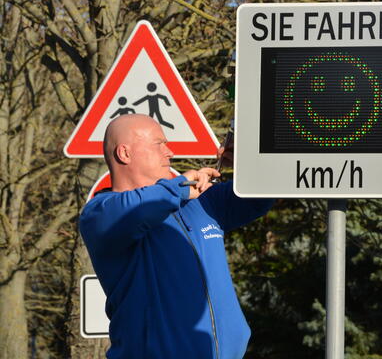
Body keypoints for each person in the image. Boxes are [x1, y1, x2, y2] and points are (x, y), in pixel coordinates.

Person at [79, 114, 273, 359]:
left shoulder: (199, 202)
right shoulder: (100, 213)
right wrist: (179, 187)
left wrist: (249, 160)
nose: (169, 152)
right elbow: (134, 208)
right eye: (159, 144)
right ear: (124, 154)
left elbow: (263, 191)